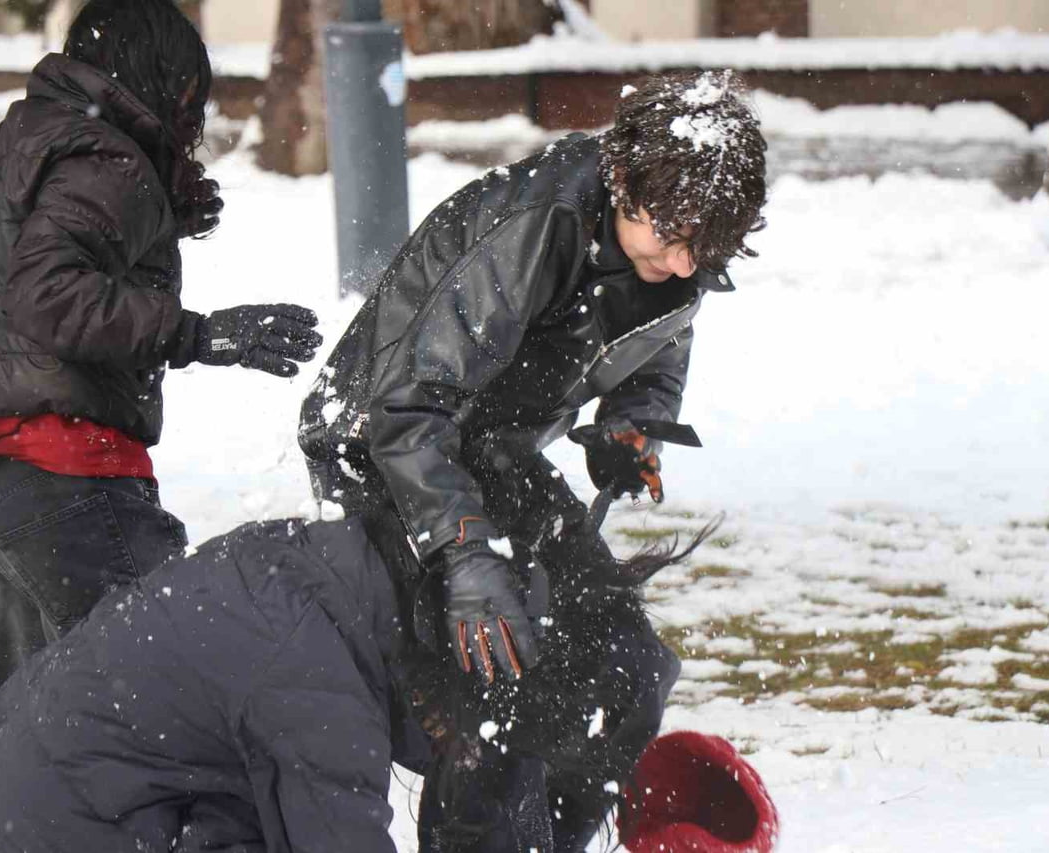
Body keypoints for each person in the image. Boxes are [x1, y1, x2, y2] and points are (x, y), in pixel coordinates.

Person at [298, 70, 767, 850]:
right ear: (623, 180)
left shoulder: (679, 231)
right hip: (387, 450)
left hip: (491, 448)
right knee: (510, 680)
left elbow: (659, 331)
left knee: (630, 675)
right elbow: (406, 409)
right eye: (671, 240)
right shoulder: (536, 227)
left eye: (703, 250)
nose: (686, 265)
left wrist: (635, 421)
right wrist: (464, 551)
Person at [0, 450, 705, 853]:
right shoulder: (321, 692)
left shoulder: (342, 576)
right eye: (458, 730)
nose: (449, 746)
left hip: (19, 787)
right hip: (29, 832)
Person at [0, 0, 321, 695]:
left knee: (32, 749)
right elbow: (47, 295)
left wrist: (156, 211)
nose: (195, 117)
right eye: (191, 97)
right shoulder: (109, 161)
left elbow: (14, 269)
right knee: (182, 709)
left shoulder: (14, 142)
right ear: (162, 80)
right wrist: (198, 332)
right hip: (62, 480)